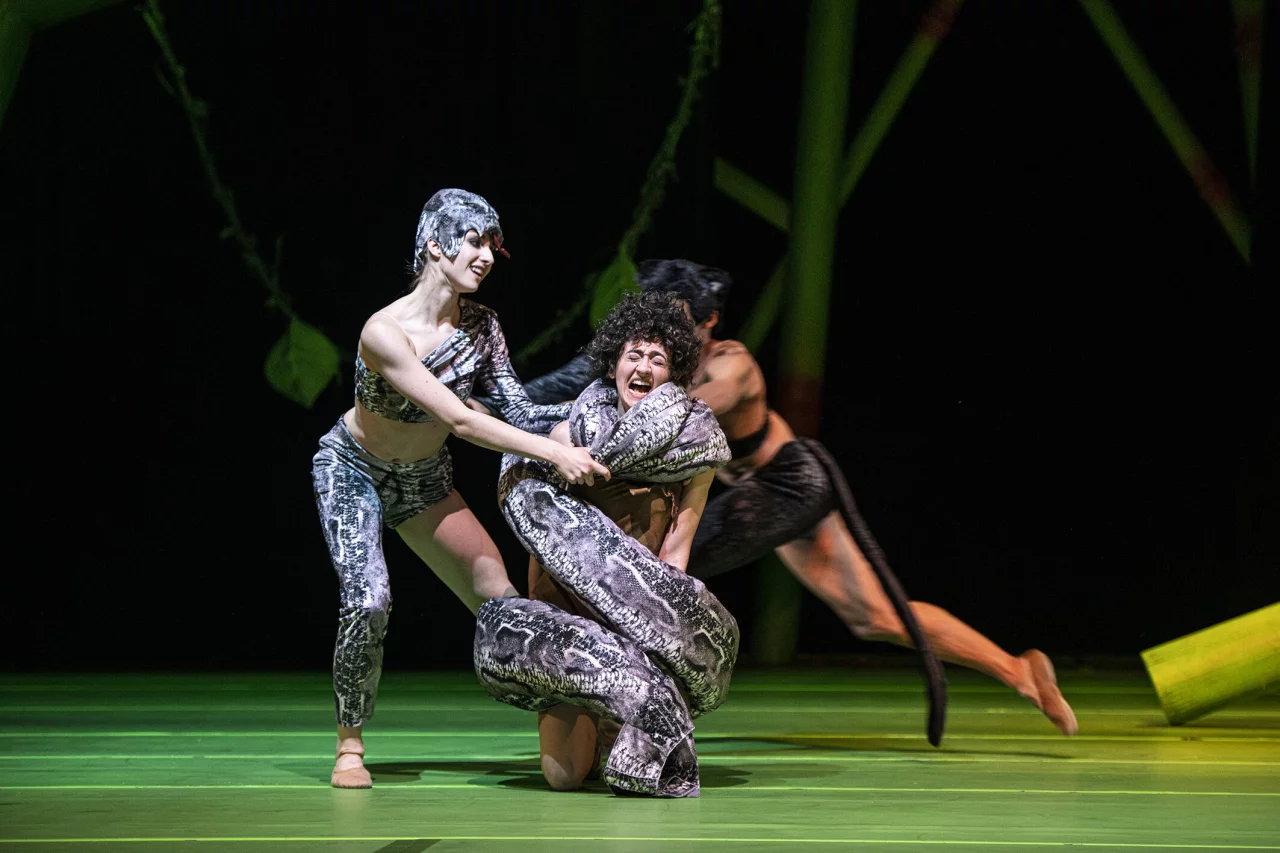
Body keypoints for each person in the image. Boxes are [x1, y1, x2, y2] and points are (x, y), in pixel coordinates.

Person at [514, 259, 1078, 737]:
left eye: (678, 318)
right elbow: (576, 386)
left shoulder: (728, 364)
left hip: (785, 485)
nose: (665, 330)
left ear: (707, 320)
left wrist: (566, 417)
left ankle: (620, 717)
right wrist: (499, 405)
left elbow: (676, 416)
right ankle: (1020, 670)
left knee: (649, 576)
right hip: (766, 491)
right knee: (874, 616)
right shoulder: (657, 360)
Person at [311, 189, 609, 789]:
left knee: (502, 601)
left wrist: (603, 403)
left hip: (424, 481)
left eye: (493, 246)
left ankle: (581, 722)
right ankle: (349, 745)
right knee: (368, 600)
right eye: (475, 242)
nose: (487, 257)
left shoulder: (482, 326)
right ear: (434, 245)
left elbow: (518, 411)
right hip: (353, 469)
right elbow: (462, 420)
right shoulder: (384, 332)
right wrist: (556, 452)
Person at [473, 291, 736, 797]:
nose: (643, 367)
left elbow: (677, 550)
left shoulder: (695, 447)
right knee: (564, 777)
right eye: (633, 355)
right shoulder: (566, 434)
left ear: (673, 374)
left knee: (631, 762)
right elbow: (540, 531)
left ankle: (627, 707)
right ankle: (588, 712)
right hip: (568, 615)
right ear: (614, 364)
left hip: (638, 616)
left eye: (657, 359)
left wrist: (659, 640)